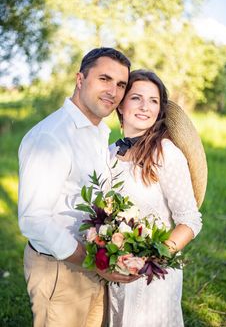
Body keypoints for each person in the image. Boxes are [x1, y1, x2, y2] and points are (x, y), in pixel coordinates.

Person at [18, 47, 138, 327]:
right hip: (59, 270)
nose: (113, 91)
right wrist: (95, 262)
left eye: (121, 84)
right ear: (80, 80)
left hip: (91, 264)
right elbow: (34, 220)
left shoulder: (98, 132)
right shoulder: (52, 137)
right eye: (104, 79)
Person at [108, 70, 203, 327]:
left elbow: (190, 220)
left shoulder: (166, 153)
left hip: (153, 276)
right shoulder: (109, 152)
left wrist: (150, 259)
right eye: (136, 98)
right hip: (113, 272)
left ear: (160, 110)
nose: (144, 107)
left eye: (153, 101)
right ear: (121, 105)